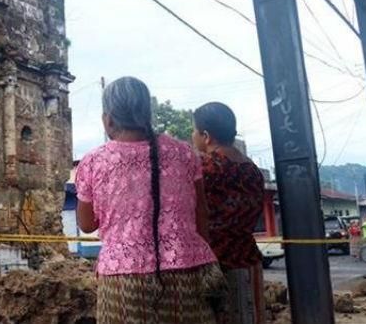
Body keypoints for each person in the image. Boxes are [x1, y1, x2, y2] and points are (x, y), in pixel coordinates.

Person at [76, 77, 223, 324]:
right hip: (188, 271)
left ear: (108, 120)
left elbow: (87, 224)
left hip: (124, 280)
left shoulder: (93, 162)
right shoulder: (184, 152)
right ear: (147, 113)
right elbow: (201, 214)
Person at [193, 102, 265, 324]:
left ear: (206, 136)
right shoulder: (252, 170)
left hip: (214, 265)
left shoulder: (205, 169)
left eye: (194, 131)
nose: (192, 137)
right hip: (248, 260)